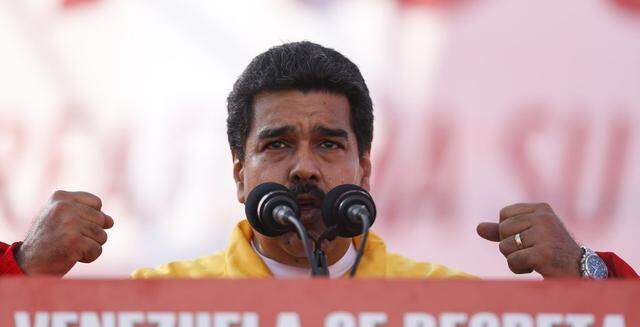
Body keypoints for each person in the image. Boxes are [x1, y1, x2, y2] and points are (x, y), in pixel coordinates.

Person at [1, 42, 636, 279]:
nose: (305, 167)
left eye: (329, 144)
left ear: (365, 171)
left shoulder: (445, 308)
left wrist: (587, 278)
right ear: (238, 173)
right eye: (277, 144)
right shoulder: (161, 305)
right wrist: (24, 274)